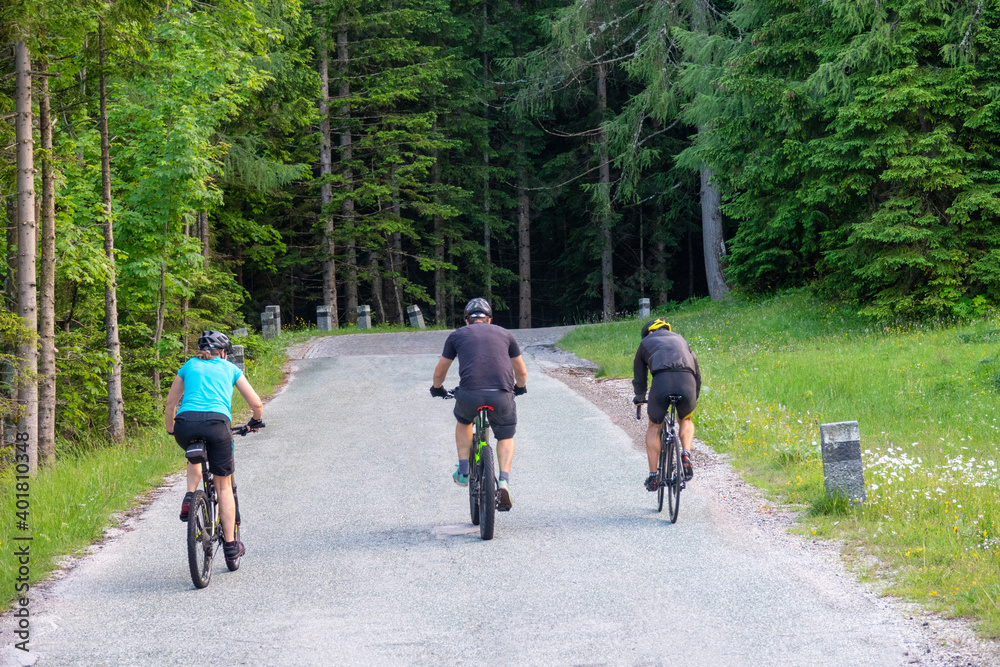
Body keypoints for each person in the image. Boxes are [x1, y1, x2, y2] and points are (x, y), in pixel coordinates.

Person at [164, 330, 264, 562]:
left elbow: (171, 403)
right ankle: (230, 545)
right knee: (223, 485)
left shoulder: (188, 365)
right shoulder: (229, 368)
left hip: (185, 425)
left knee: (194, 455)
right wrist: (255, 421)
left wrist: (172, 429)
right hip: (217, 425)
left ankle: (190, 496)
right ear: (221, 353)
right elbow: (256, 403)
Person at [430, 298, 527, 510]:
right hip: (501, 395)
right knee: (505, 436)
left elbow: (441, 370)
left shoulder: (456, 335)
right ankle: (503, 481)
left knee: (464, 420)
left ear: (467, 321)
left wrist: (437, 388)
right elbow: (521, 371)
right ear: (489, 320)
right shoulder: (505, 334)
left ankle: (464, 469)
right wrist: (519, 387)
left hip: (470, 395)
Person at [632, 318, 700, 490]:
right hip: (688, 382)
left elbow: (640, 378)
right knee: (686, 420)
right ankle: (685, 454)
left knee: (654, 426)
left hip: (662, 382)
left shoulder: (646, 343)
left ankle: (654, 477)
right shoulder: (681, 340)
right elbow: (697, 373)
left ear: (649, 333)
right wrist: (693, 398)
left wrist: (640, 398)